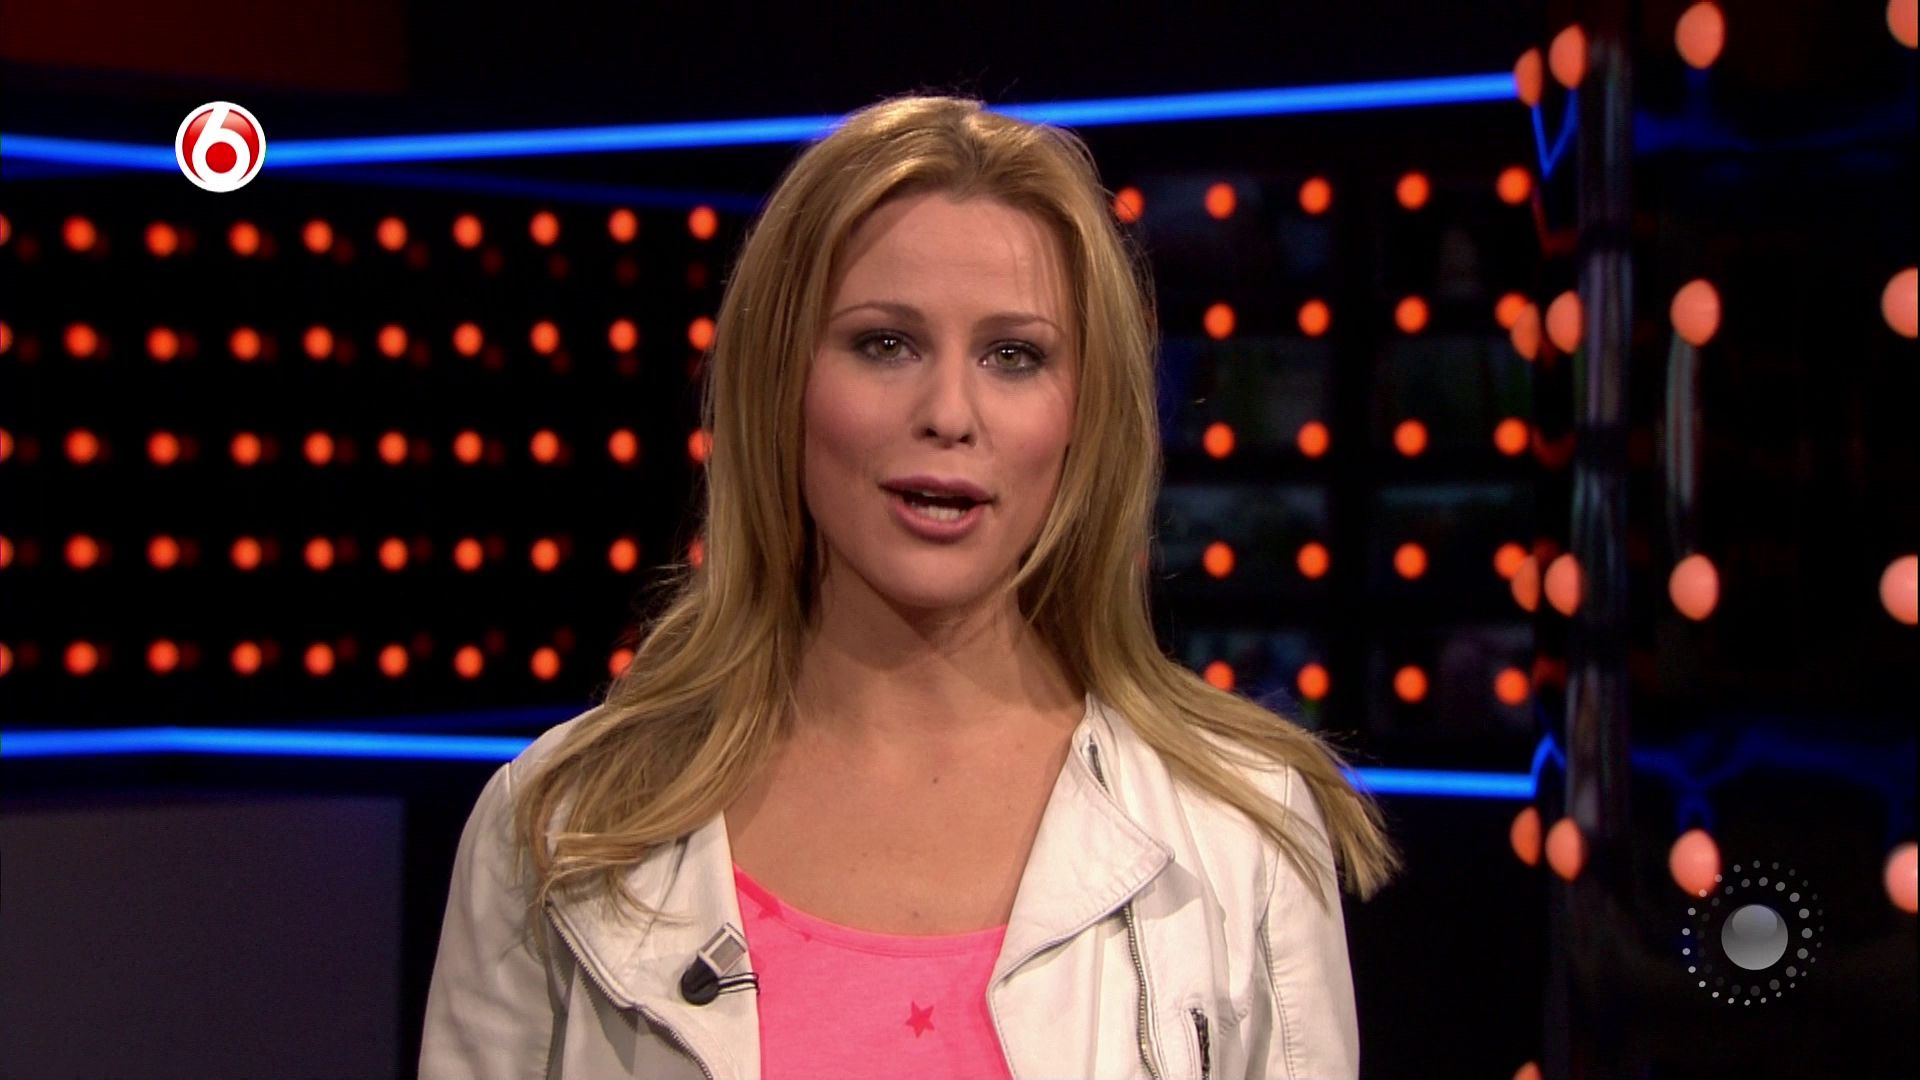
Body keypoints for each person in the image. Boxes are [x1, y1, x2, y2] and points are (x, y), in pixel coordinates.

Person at [420, 92, 1402, 1080]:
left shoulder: (1242, 835)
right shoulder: (559, 828)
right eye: (884, 343)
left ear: (1083, 415)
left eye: (1014, 356)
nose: (949, 412)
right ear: (781, 382)